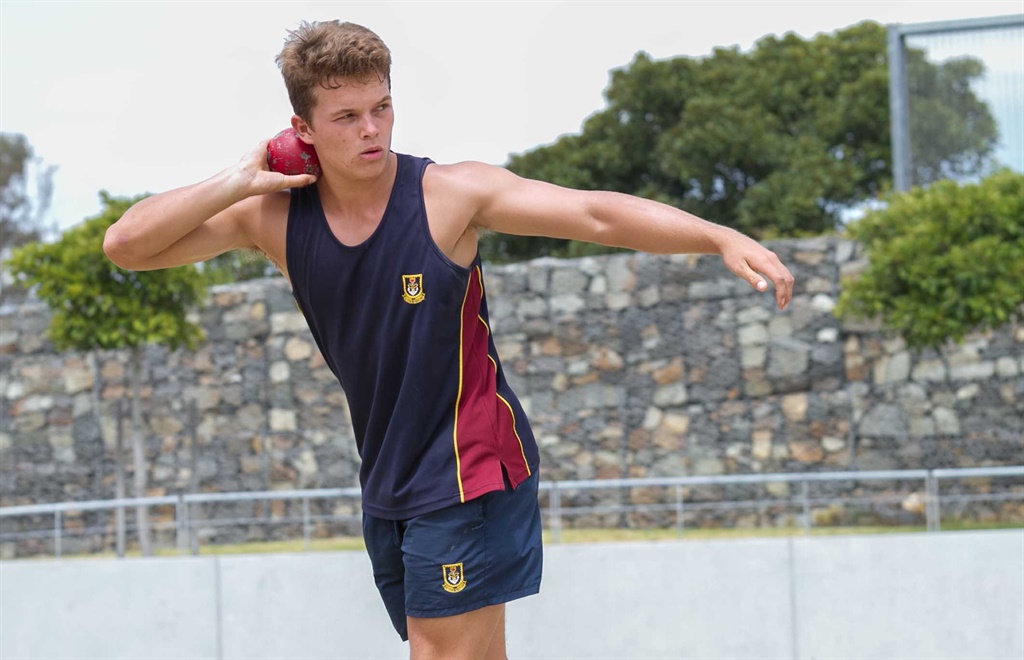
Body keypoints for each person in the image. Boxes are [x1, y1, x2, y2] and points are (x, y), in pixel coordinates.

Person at [103, 20, 794, 660]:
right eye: (346, 117)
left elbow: (594, 214)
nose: (371, 129)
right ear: (302, 130)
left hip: (469, 466)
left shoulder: (449, 196)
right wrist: (237, 179)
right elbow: (127, 246)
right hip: (390, 475)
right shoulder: (272, 218)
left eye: (382, 107)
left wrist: (717, 236)